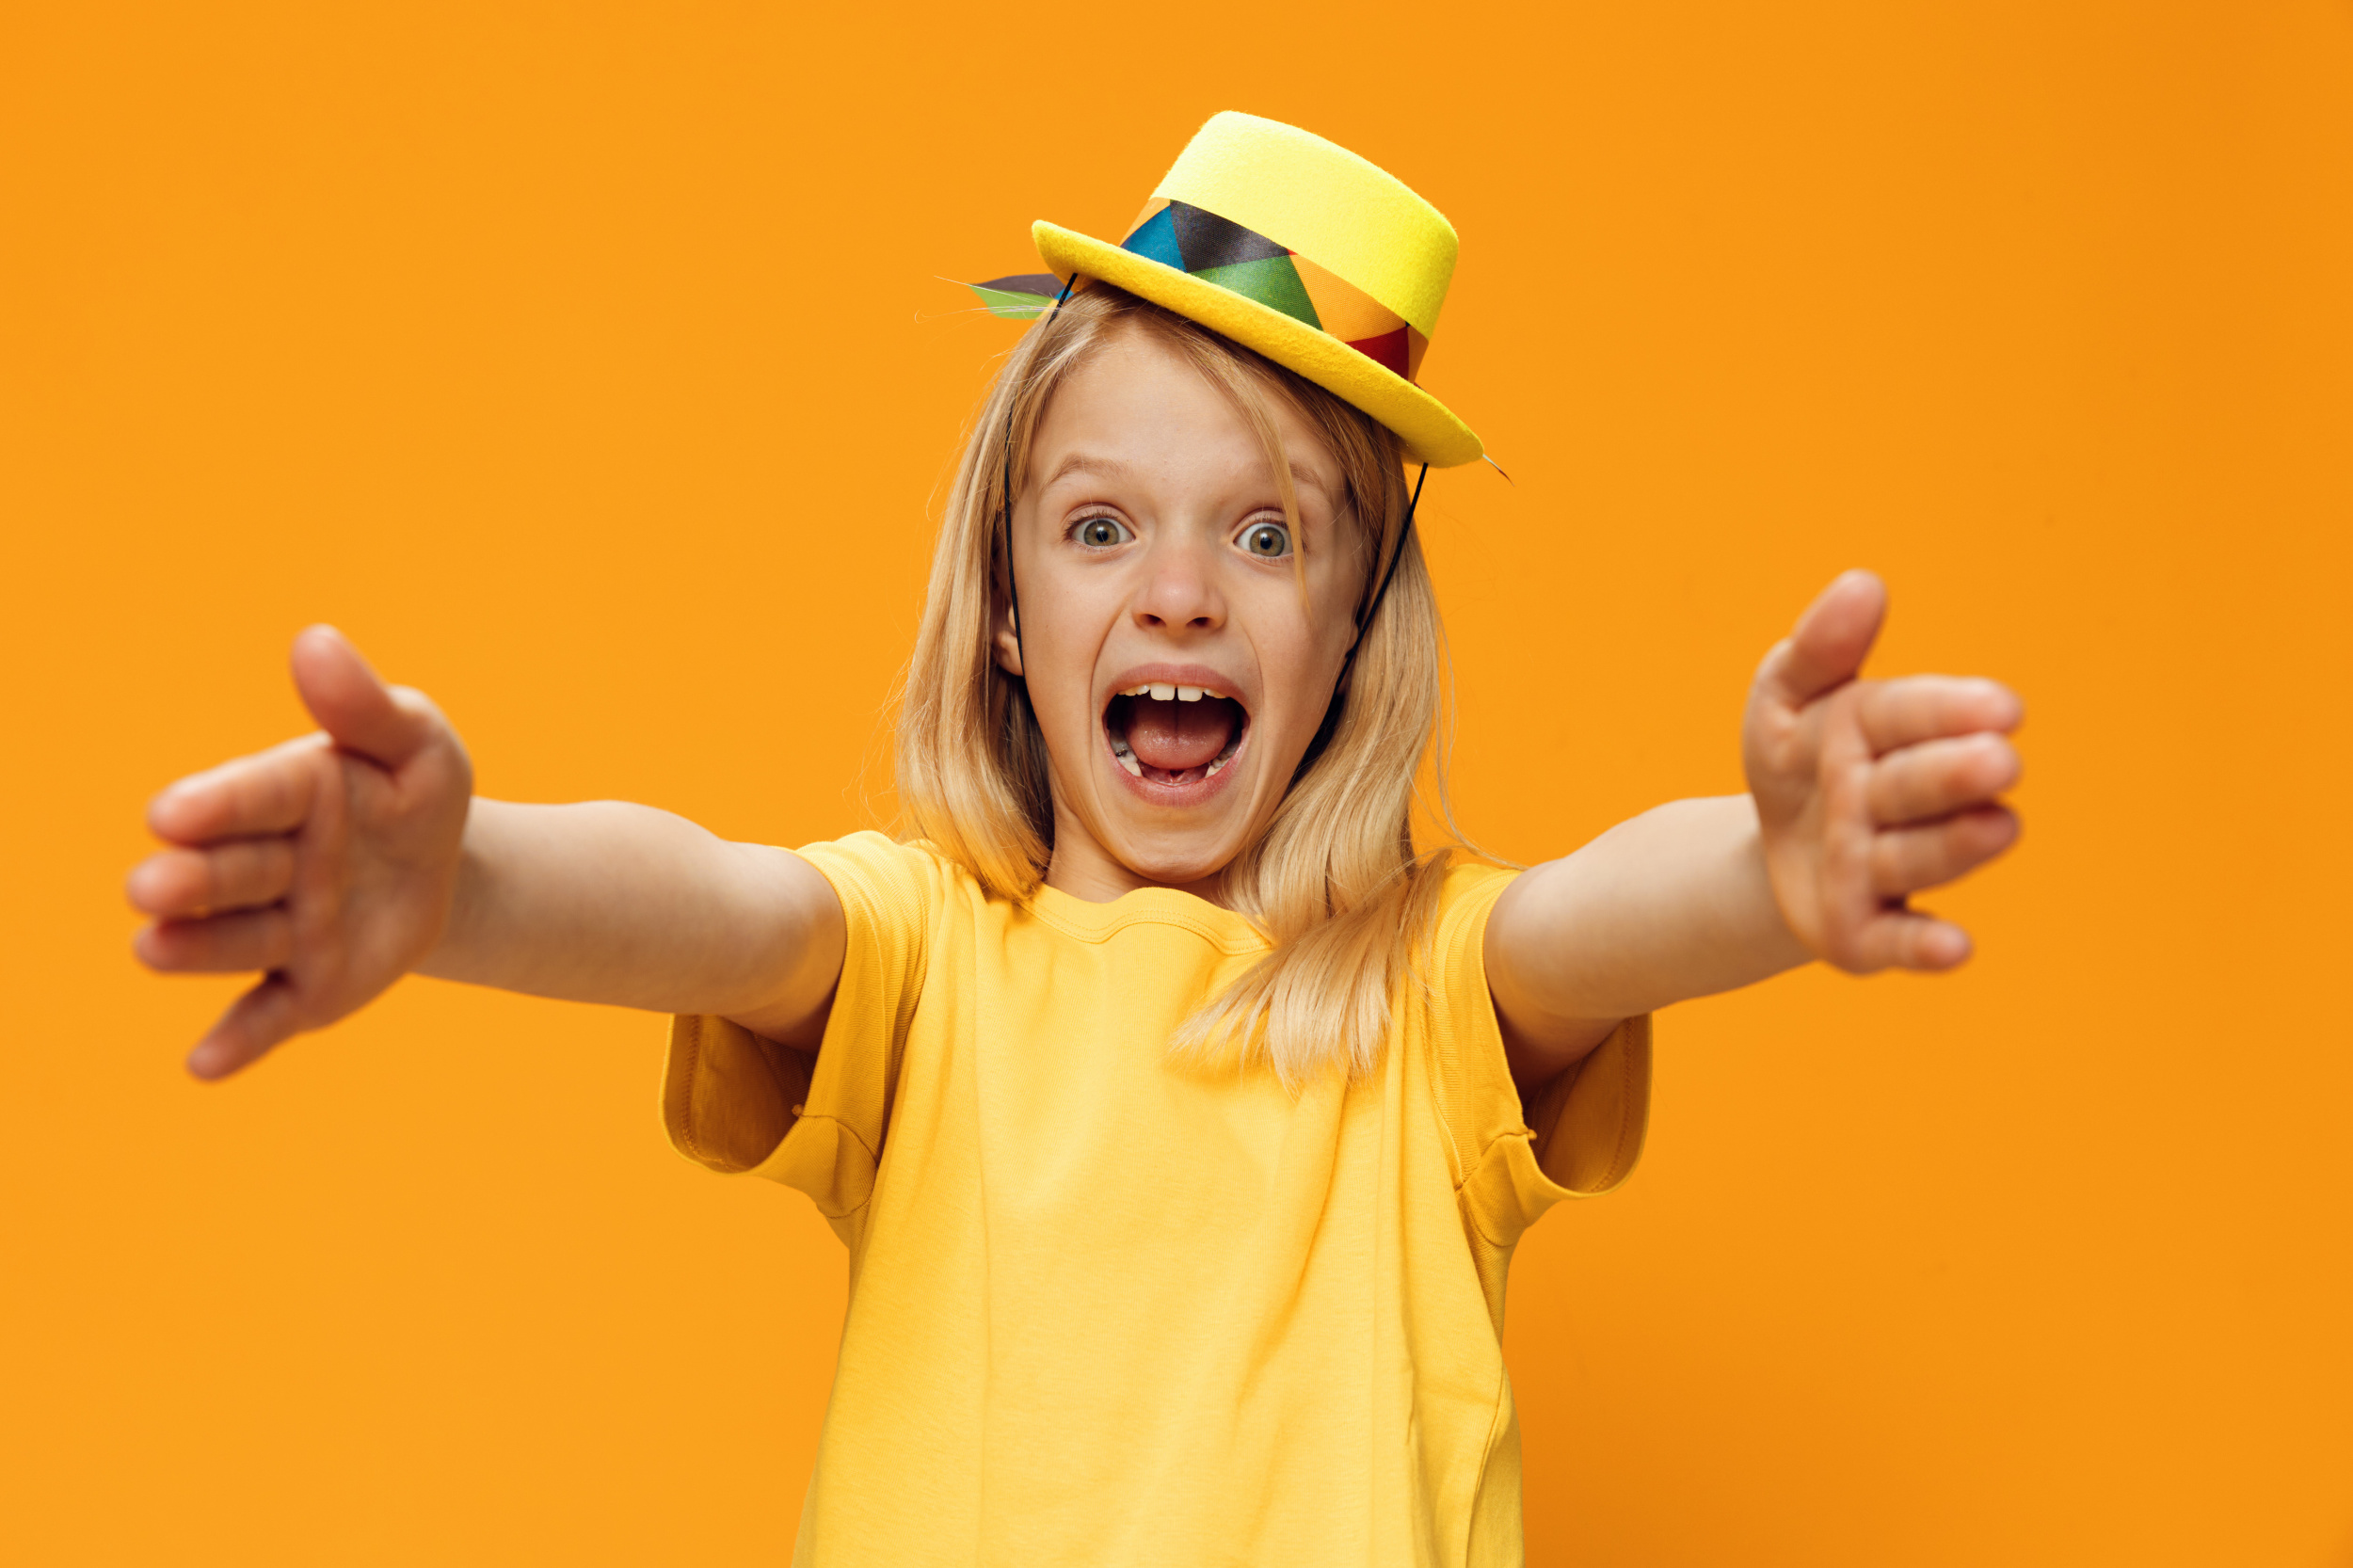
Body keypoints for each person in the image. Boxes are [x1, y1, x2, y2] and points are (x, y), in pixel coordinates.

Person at [124, 112, 2023, 1565]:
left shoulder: (1421, 1008)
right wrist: (464, 884)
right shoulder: (924, 956)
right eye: (1102, 526)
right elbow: (708, 905)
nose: (1181, 593)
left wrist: (1764, 872)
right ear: (1012, 613)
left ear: (1351, 624)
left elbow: (1603, 922)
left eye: (1264, 534)